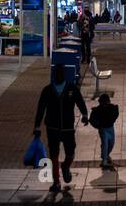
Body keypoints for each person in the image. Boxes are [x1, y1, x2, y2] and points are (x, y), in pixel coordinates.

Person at [33, 63, 89, 193]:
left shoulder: (71, 88)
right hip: (52, 128)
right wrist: (37, 126)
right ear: (53, 75)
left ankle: (65, 166)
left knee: (70, 153)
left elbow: (80, 101)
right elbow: (41, 109)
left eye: (61, 73)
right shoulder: (47, 90)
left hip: (68, 128)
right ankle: (56, 182)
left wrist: (85, 114)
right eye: (57, 73)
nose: (59, 75)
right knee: (54, 155)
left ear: (64, 75)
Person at [87, 92, 119, 170]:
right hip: (103, 129)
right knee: (105, 143)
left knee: (111, 143)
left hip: (110, 128)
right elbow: (92, 120)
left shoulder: (112, 108)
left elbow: (116, 114)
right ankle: (104, 159)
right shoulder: (97, 110)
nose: (105, 104)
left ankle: (106, 155)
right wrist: (98, 126)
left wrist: (112, 120)